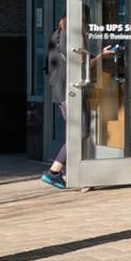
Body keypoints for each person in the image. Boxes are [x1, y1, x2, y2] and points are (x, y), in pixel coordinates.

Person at [40, 18, 113, 189]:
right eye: (87, 24)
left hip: (60, 92)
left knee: (77, 131)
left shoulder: (57, 35)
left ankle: (66, 172)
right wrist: (102, 56)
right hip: (71, 92)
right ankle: (54, 171)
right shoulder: (70, 37)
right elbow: (82, 65)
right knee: (80, 131)